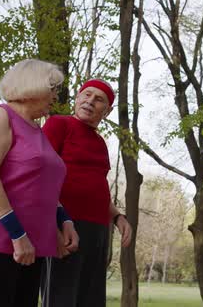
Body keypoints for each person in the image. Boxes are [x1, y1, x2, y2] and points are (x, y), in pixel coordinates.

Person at [0, 59, 79, 307]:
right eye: (53, 89)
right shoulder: (0, 116)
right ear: (32, 85)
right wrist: (17, 234)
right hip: (1, 237)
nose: (55, 96)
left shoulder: (38, 130)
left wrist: (63, 220)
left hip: (33, 241)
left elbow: (41, 186)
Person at [41, 78, 133, 307]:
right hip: (67, 225)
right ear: (77, 98)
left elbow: (98, 187)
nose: (90, 101)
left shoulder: (100, 143)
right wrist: (53, 225)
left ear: (107, 111)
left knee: (90, 299)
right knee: (61, 299)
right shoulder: (58, 124)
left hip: (98, 230)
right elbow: (40, 176)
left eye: (98, 99)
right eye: (86, 94)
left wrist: (117, 216)